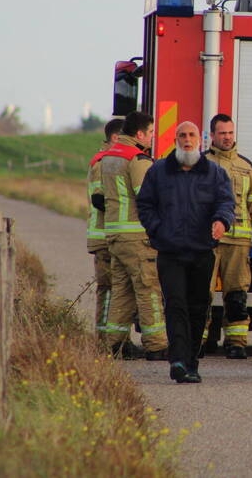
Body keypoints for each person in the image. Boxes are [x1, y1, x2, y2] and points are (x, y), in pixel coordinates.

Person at [137, 121, 234, 383]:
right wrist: (159, 230)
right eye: (182, 135)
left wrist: (221, 221)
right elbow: (144, 204)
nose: (187, 139)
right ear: (176, 139)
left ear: (200, 141)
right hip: (171, 252)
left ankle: (192, 362)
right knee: (175, 304)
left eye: (191, 135)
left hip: (202, 251)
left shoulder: (214, 172)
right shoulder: (159, 171)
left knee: (198, 308)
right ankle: (178, 361)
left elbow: (226, 202)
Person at [99, 110, 169, 360]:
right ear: (139, 134)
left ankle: (113, 343)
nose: (152, 137)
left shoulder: (108, 157)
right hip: (137, 236)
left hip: (115, 236)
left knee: (121, 291)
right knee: (148, 289)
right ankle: (156, 345)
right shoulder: (137, 159)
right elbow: (147, 197)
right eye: (150, 132)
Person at [203, 113, 252, 359]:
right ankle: (199, 340)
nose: (227, 138)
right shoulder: (200, 164)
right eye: (222, 133)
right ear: (212, 135)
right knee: (201, 292)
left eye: (230, 133)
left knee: (237, 293)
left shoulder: (247, 168)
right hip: (207, 240)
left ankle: (236, 342)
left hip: (239, 241)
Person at [87, 118, 144, 356]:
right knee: (110, 290)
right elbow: (100, 199)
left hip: (112, 234)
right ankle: (105, 340)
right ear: (114, 138)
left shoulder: (109, 162)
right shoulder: (103, 164)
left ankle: (118, 339)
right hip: (106, 237)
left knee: (119, 290)